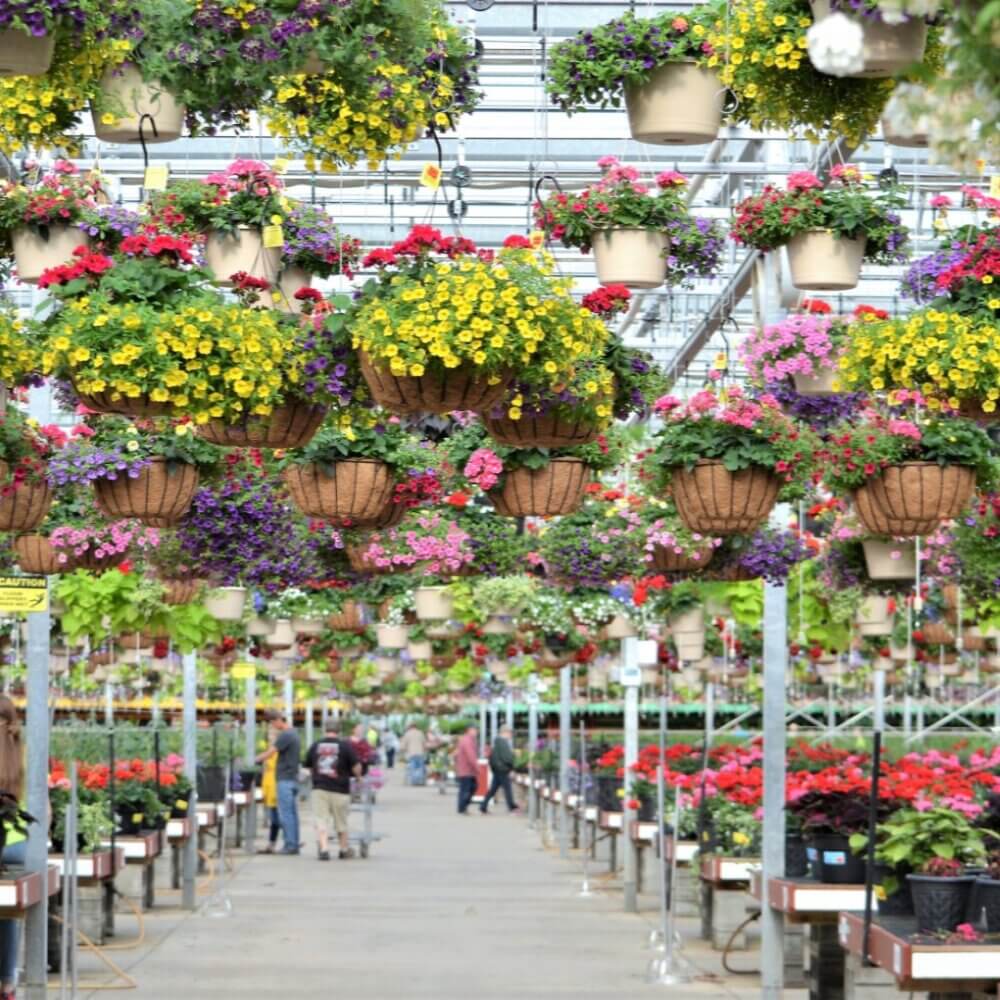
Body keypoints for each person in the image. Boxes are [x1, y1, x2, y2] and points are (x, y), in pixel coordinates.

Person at [304, 722, 361, 860]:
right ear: (339, 731)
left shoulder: (315, 745)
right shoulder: (345, 746)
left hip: (319, 789)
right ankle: (343, 849)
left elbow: (308, 766)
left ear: (325, 730)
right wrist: (358, 778)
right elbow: (356, 766)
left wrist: (316, 775)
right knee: (341, 821)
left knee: (321, 820)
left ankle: (324, 849)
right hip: (340, 789)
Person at [0, 696, 26, 1000]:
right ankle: (6, 982)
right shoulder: (26, 754)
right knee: (8, 912)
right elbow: (43, 809)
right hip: (16, 847)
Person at [256, 711, 301, 855]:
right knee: (292, 814)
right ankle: (293, 843)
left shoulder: (286, 735)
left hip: (284, 779)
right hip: (292, 778)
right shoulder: (294, 733)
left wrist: (254, 760)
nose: (273, 726)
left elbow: (271, 752)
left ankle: (290, 845)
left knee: (286, 814)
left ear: (278, 720)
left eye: (272, 723)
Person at [480, 725, 518, 814]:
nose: (511, 735)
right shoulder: (502, 742)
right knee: (507, 788)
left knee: (493, 789)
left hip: (497, 768)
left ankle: (483, 805)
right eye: (510, 733)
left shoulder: (497, 742)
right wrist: (512, 766)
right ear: (505, 732)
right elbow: (507, 757)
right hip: (503, 769)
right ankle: (511, 806)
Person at [256, 736, 281, 854]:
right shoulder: (269, 751)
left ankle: (275, 843)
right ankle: (272, 844)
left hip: (274, 786)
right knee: (275, 818)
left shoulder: (276, 752)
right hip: (269, 785)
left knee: (277, 818)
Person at [454, 725, 480, 815]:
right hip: (467, 770)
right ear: (469, 730)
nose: (477, 732)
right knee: (468, 789)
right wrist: (477, 768)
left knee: (467, 788)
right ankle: (462, 807)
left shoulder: (467, 740)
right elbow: (471, 756)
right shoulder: (468, 741)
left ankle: (462, 807)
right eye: (475, 730)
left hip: (465, 769)